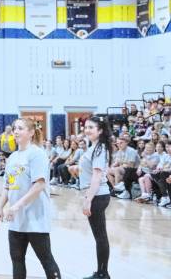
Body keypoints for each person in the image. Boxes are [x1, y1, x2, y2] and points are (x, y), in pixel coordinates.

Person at [0, 118, 61, 279]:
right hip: (16, 220)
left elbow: (39, 185)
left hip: (35, 218)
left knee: (46, 259)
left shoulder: (37, 154)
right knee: (17, 260)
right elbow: (7, 186)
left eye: (21, 128)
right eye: (15, 128)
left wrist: (16, 206)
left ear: (31, 133)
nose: (16, 131)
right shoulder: (13, 157)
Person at [79, 116, 112, 279]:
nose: (87, 130)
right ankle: (101, 271)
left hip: (97, 196)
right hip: (97, 195)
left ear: (100, 130)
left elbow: (97, 177)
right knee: (100, 236)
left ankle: (102, 273)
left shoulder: (100, 148)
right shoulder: (95, 147)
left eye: (91, 127)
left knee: (100, 237)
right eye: (86, 127)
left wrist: (88, 200)